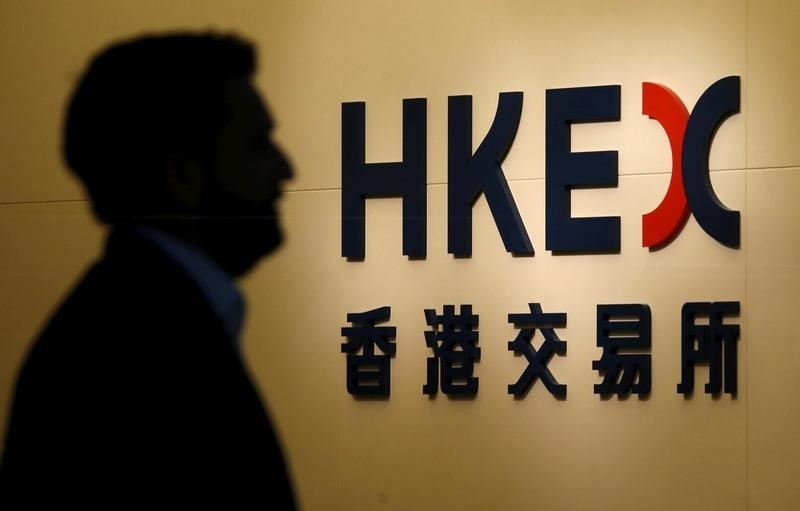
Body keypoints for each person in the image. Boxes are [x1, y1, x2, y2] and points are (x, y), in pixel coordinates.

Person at [0, 33, 297, 508]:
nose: (287, 169)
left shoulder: (137, 323)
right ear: (183, 176)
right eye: (257, 145)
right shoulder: (128, 353)